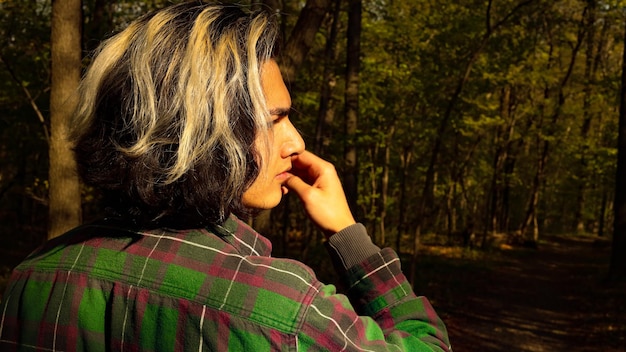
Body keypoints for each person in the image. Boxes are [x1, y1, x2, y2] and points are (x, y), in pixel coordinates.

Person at [0, 2, 452, 351]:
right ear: (203, 133)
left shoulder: (32, 276)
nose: (295, 143)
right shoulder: (284, 310)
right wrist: (352, 239)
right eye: (273, 120)